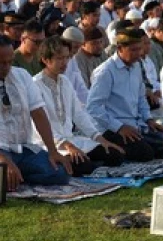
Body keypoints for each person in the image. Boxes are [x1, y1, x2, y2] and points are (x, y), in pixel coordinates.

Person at [33, 37, 124, 176]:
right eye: (59, 58)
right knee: (84, 166)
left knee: (114, 154)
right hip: (48, 145)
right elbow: (40, 125)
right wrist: (68, 146)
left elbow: (79, 114)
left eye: (66, 58)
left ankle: (86, 160)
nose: (64, 63)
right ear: (45, 60)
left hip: (71, 139)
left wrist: (99, 138)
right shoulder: (35, 85)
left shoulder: (65, 82)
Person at [0, 36, 73, 190]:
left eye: (9, 62)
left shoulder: (22, 76)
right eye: (2, 63)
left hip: (22, 148)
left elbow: (38, 113)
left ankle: (17, 176)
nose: (6, 67)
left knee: (60, 172)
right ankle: (10, 176)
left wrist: (52, 151)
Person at [86, 28, 163, 161]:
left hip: (135, 124)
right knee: (146, 153)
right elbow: (93, 107)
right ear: (120, 48)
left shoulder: (136, 66)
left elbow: (141, 97)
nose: (138, 54)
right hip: (111, 128)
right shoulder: (105, 72)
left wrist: (149, 119)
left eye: (139, 49)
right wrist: (119, 127)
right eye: (133, 50)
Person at [72, 26, 108, 91]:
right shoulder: (77, 59)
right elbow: (84, 88)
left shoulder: (101, 53)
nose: (99, 46)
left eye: (100, 42)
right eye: (94, 43)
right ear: (83, 44)